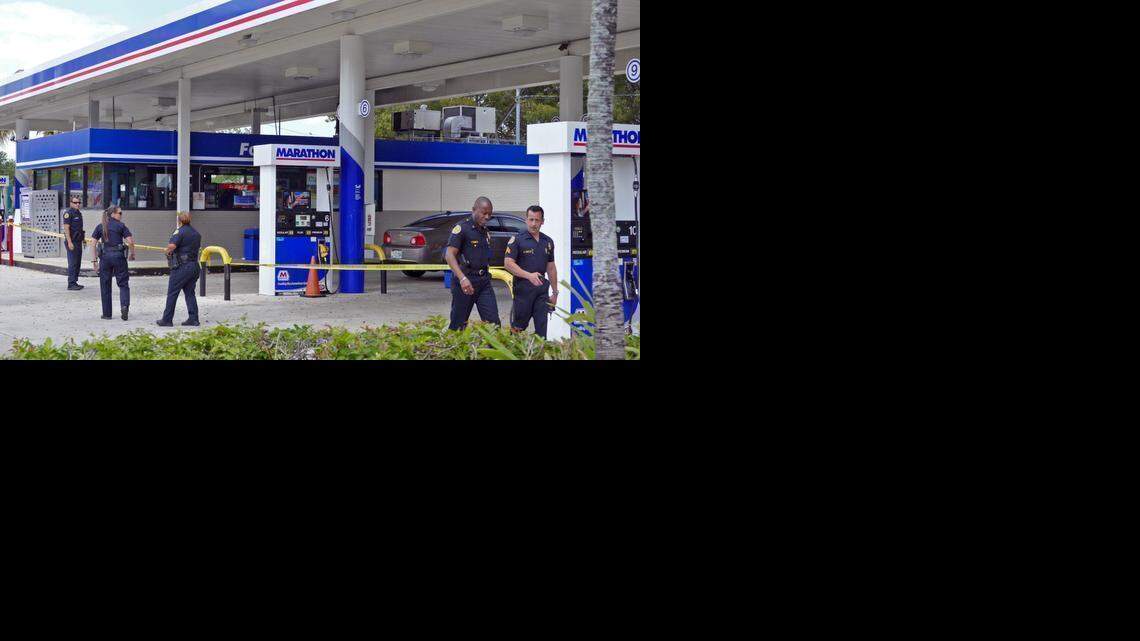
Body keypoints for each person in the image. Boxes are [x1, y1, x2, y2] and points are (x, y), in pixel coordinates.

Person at [445, 197, 501, 330]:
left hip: (483, 282)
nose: (487, 216)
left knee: (493, 324)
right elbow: (449, 254)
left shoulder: (484, 231)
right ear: (474, 210)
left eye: (490, 214)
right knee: (458, 325)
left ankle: (491, 350)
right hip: (465, 283)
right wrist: (462, 278)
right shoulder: (462, 228)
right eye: (484, 213)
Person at [503, 205, 559, 339]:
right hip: (523, 291)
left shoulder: (548, 242)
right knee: (518, 328)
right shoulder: (517, 240)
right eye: (531, 219)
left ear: (542, 221)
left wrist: (555, 292)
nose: (534, 224)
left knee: (542, 330)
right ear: (526, 220)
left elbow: (551, 267)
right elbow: (508, 264)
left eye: (537, 220)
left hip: (541, 292)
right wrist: (529, 276)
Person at [157, 212, 203, 327]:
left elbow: (172, 246)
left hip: (182, 267)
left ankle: (167, 320)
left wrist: (167, 251)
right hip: (194, 266)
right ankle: (193, 319)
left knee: (172, 292)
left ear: (179, 221)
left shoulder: (179, 231)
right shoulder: (196, 233)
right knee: (189, 293)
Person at [90, 205, 135, 321]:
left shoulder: (101, 226)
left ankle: (107, 314)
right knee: (123, 284)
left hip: (105, 258)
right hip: (119, 257)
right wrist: (132, 253)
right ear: (113, 214)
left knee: (105, 285)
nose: (121, 215)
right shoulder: (121, 226)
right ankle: (124, 306)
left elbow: (93, 243)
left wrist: (94, 261)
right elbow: (130, 241)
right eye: (120, 213)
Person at [63, 195, 85, 291]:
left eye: (79, 202)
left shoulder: (78, 213)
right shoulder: (68, 213)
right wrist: (69, 242)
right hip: (72, 242)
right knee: (72, 263)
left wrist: (83, 239)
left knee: (77, 263)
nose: (78, 204)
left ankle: (74, 281)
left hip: (78, 241)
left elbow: (79, 229)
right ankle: (71, 283)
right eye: (75, 203)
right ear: (71, 203)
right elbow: (66, 228)